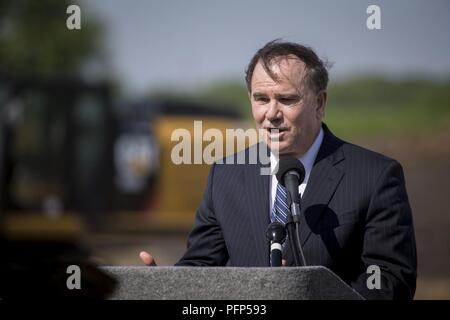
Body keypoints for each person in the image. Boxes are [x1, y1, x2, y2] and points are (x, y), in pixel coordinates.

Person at [140, 40, 417, 300]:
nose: (271, 113)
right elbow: (202, 265)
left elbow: (390, 282)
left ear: (319, 104)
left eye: (286, 99)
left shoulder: (375, 176)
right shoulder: (225, 175)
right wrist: (167, 285)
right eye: (261, 99)